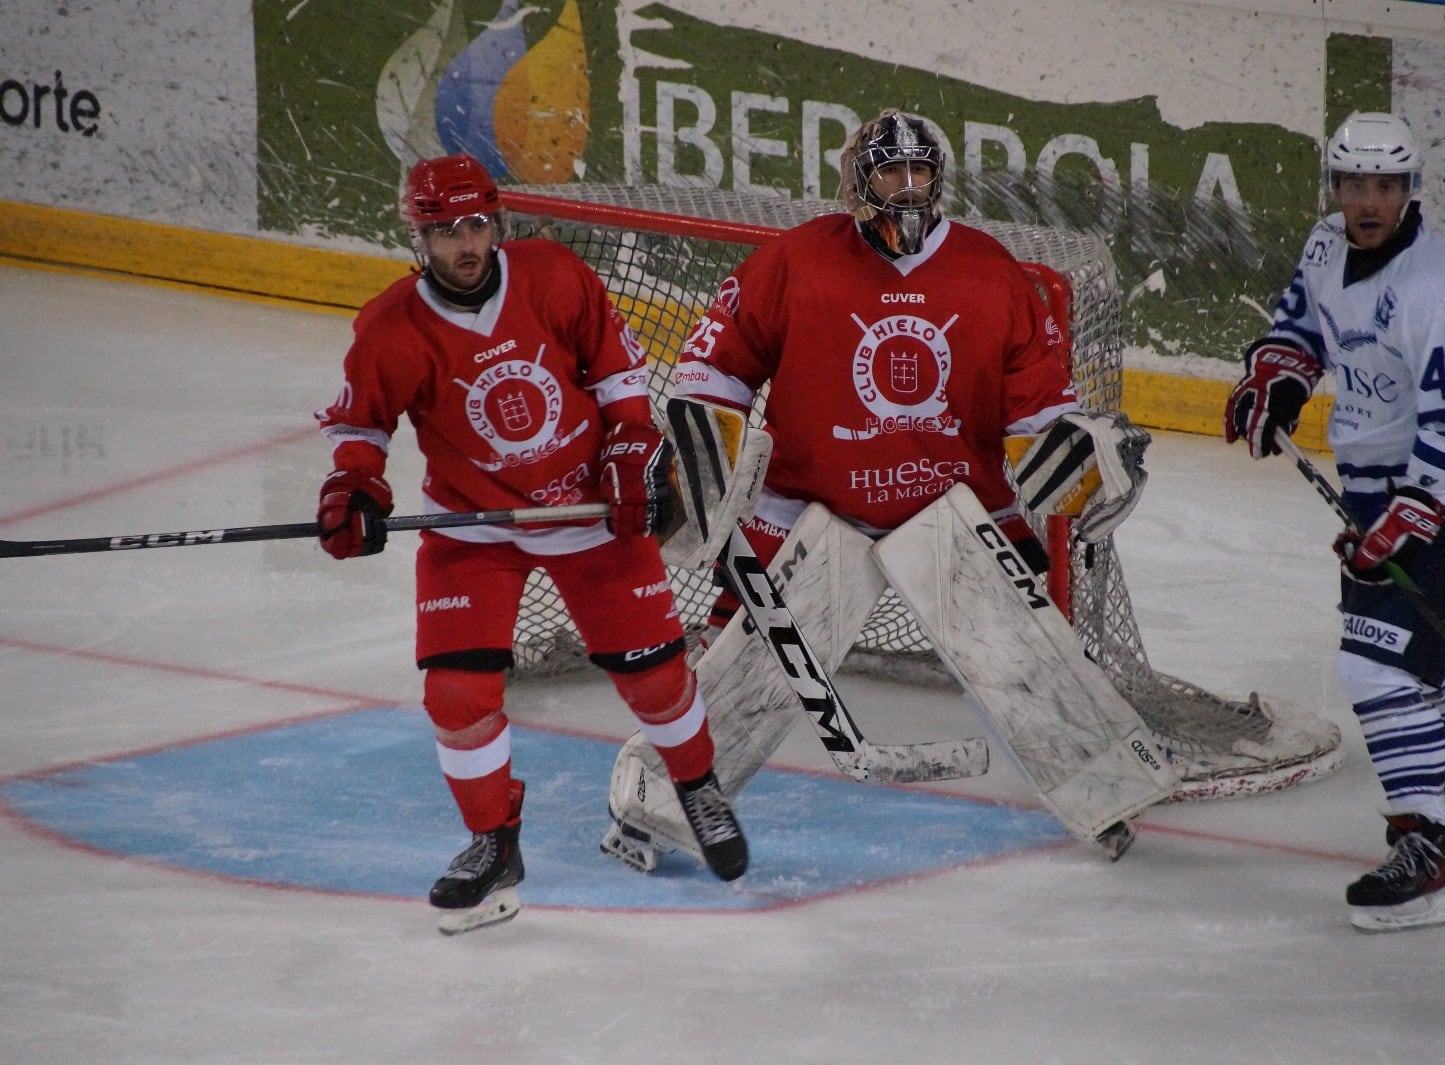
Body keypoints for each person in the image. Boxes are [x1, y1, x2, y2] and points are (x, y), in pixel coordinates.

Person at [600, 108, 1159, 873]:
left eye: (918, 172)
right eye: (889, 172)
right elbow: (714, 367)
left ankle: (1108, 792)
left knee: (1027, 649)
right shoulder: (794, 261)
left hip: (953, 504)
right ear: (856, 182)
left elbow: (1039, 406)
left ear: (938, 179)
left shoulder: (991, 271)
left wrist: (1082, 464)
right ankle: (654, 800)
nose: (905, 187)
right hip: (808, 503)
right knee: (747, 666)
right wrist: (701, 455)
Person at [314, 153, 747, 935]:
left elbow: (619, 377)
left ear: (497, 222)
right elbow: (361, 426)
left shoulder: (551, 276)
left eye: (476, 224)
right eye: (445, 231)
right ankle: (493, 843)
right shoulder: (389, 328)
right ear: (417, 236)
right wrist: (354, 486)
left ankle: (697, 783)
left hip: (588, 510)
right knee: (455, 692)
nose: (465, 243)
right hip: (473, 524)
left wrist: (628, 447)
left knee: (654, 677)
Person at [1224, 111, 1445, 932]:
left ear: (1409, 190)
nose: (1368, 200)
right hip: (1373, 491)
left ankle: (1427, 848)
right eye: (1354, 183)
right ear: (1337, 187)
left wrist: (1408, 518)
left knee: (1375, 668)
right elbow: (1301, 326)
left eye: (1385, 185)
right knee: (1418, 654)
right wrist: (1277, 382)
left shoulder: (1439, 283)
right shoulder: (1327, 247)